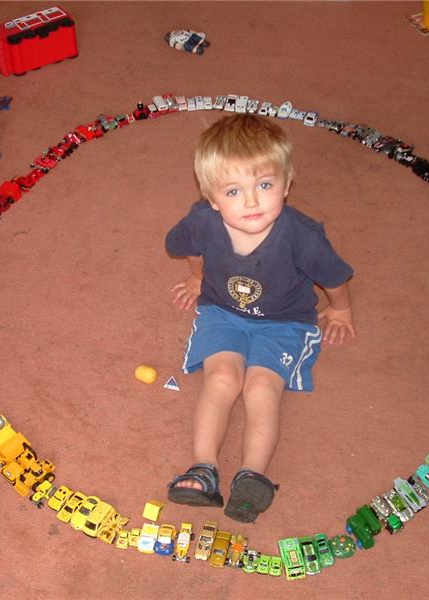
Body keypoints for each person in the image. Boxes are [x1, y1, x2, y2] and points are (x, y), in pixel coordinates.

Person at [165, 113, 356, 523]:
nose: (251, 202)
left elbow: (334, 276)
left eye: (265, 185)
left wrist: (340, 308)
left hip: (285, 321)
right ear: (212, 198)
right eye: (234, 191)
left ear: (287, 184)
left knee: (261, 386)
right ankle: (203, 467)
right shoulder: (202, 220)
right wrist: (197, 277)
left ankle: (252, 476)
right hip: (222, 311)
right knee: (221, 378)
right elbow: (187, 246)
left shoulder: (303, 236)